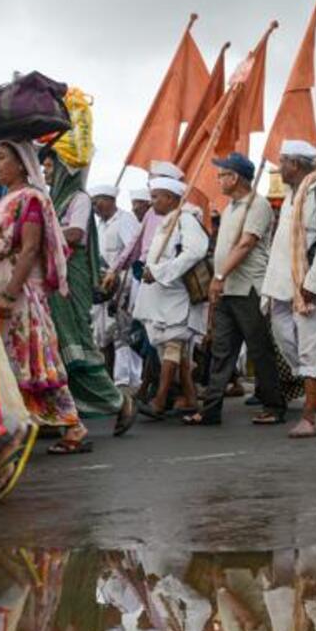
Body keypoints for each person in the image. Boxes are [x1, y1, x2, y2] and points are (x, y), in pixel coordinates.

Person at [0, 140, 85, 451]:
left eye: (1, 158)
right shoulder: (4, 200)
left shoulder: (32, 199)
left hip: (22, 291)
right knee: (9, 360)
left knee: (34, 358)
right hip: (1, 285)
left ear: (22, 163)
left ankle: (74, 426)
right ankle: (12, 428)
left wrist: (11, 293)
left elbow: (28, 250)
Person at [184, 152, 285, 426]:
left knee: (259, 348)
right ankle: (211, 409)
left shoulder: (258, 205)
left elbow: (246, 244)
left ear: (235, 177)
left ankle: (274, 405)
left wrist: (218, 275)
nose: (218, 179)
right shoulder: (229, 208)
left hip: (249, 287)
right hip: (229, 288)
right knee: (221, 349)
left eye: (222, 174)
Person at [262, 140, 316, 439]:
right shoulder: (290, 195)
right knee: (287, 341)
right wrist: (269, 289)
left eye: (282, 160)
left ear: (295, 164)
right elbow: (279, 245)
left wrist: (314, 283)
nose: (279, 166)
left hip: (311, 286)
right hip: (282, 286)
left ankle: (311, 417)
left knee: (311, 350)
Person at [46, 151, 135, 434]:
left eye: (50, 166)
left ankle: (118, 401)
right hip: (52, 282)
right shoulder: (50, 200)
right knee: (56, 351)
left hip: (72, 282)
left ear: (64, 170)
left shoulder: (79, 199)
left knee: (77, 349)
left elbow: (74, 234)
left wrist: (41, 234)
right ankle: (61, 415)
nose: (46, 171)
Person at [134, 177, 209, 420]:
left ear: (171, 197)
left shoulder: (186, 219)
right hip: (162, 296)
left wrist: (160, 272)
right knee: (175, 347)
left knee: (174, 342)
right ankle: (191, 400)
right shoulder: (168, 221)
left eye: (156, 196)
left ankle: (159, 400)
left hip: (177, 293)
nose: (152, 201)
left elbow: (195, 252)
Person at [89, 183, 139, 377]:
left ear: (110, 200)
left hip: (121, 287)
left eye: (98, 202)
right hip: (102, 288)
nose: (95, 207)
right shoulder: (99, 225)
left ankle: (125, 378)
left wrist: (118, 279)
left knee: (122, 334)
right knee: (102, 335)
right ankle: (107, 376)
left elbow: (132, 253)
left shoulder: (125, 220)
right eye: (92, 203)